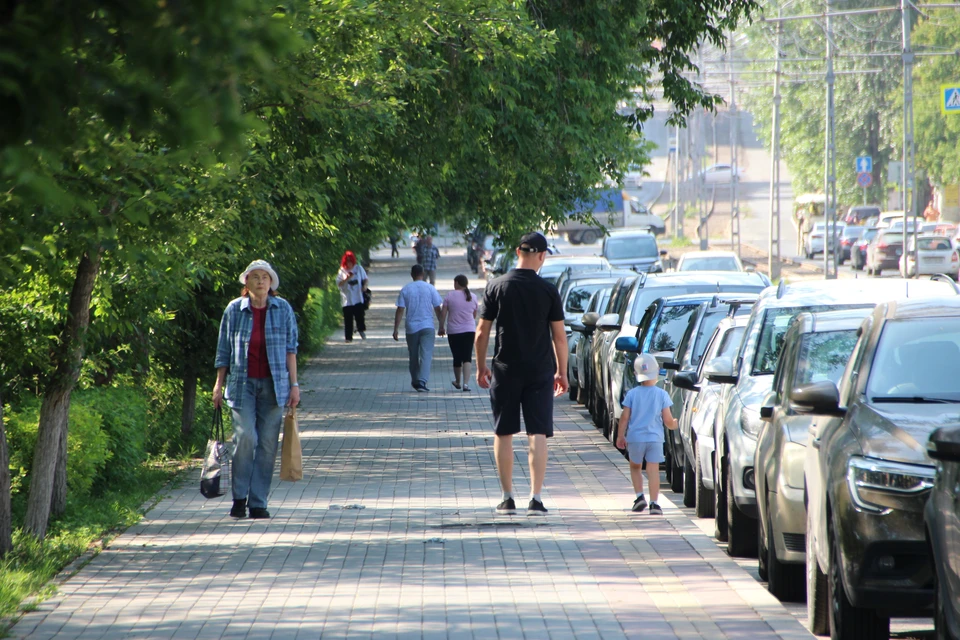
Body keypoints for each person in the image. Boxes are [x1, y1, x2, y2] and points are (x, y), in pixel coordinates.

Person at [475, 232, 568, 515]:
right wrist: (562, 372)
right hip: (540, 370)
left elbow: (481, 332)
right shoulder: (548, 290)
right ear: (541, 255)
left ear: (518, 252)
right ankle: (536, 499)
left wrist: (480, 367)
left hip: (505, 369)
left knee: (503, 432)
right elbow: (560, 337)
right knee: (537, 432)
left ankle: (506, 498)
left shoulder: (496, 286)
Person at [213, 260, 300, 520]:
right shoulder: (234, 310)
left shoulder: (282, 309)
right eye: (255, 277)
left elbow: (291, 349)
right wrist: (218, 384)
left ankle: (258, 502)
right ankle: (239, 498)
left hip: (275, 387)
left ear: (271, 283)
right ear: (247, 282)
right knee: (246, 438)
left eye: (265, 277)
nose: (260, 281)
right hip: (242, 386)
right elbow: (223, 350)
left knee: (267, 445)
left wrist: (294, 385)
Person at [615, 353, 677, 515]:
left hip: (635, 438)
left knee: (635, 467)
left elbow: (624, 417)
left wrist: (620, 436)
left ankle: (639, 496)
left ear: (636, 374)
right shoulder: (662, 394)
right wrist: (675, 424)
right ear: (657, 372)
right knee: (653, 469)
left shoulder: (632, 394)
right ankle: (654, 503)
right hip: (655, 439)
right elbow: (668, 420)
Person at [394, 264, 443, 392]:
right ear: (423, 274)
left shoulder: (406, 289)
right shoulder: (430, 288)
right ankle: (422, 381)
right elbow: (438, 308)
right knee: (426, 355)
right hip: (428, 326)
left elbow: (400, 309)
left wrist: (395, 329)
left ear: (412, 274)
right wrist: (442, 325)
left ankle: (416, 380)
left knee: (413, 355)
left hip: (411, 327)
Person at [440, 274, 479, 392]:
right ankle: (466, 384)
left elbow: (443, 313)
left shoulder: (450, 295)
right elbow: (474, 315)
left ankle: (457, 381)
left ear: (456, 283)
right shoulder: (473, 296)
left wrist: (441, 327)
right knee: (467, 356)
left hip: (454, 331)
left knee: (457, 357)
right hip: (469, 330)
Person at [337, 251, 369, 342]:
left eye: (350, 262)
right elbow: (339, 284)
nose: (349, 264)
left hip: (358, 297)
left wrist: (364, 286)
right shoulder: (342, 271)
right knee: (348, 319)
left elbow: (365, 279)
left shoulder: (358, 269)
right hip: (347, 299)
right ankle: (348, 337)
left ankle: (361, 330)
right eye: (347, 262)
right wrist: (347, 278)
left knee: (360, 316)